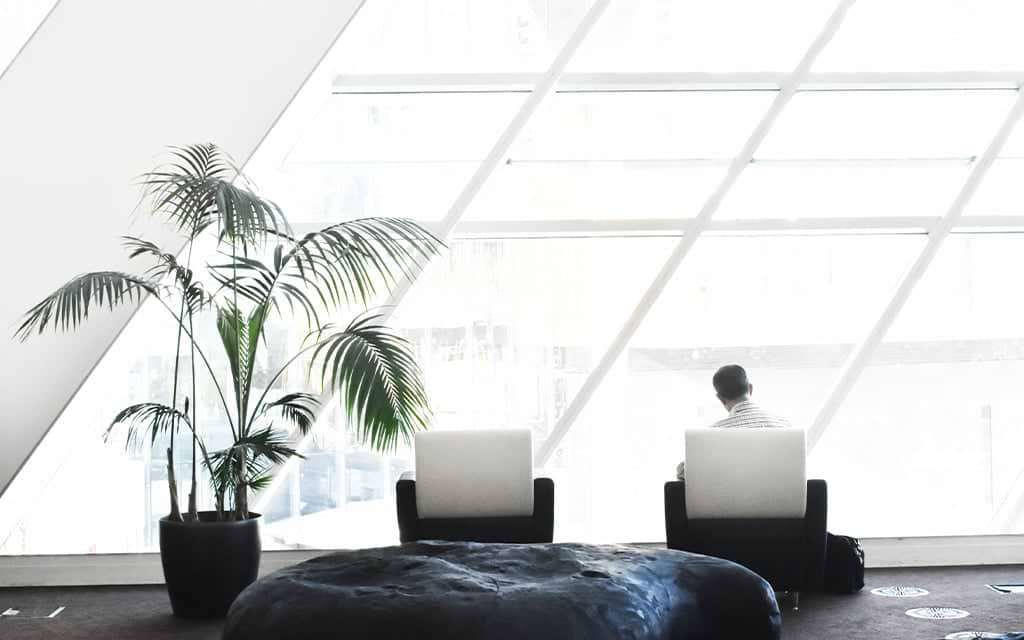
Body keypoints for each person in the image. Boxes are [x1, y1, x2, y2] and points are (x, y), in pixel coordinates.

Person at [675, 364, 791, 479]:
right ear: (750, 388)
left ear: (720, 398)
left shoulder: (712, 435)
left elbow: (683, 473)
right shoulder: (784, 425)